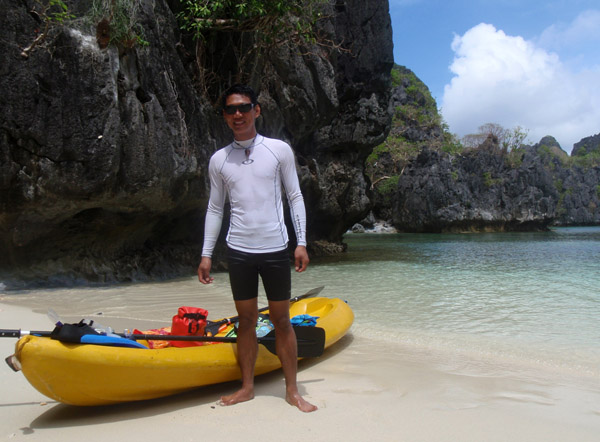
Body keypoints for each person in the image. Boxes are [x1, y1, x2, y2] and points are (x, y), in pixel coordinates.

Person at [198, 84, 316, 412]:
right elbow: (215, 208)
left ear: (257, 111)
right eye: (231, 110)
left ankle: (292, 391)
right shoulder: (219, 160)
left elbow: (294, 196)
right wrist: (207, 253)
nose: (238, 114)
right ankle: (247, 387)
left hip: (276, 248)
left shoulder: (279, 151)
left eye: (244, 108)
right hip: (239, 250)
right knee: (246, 320)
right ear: (224, 116)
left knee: (281, 320)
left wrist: (301, 243)